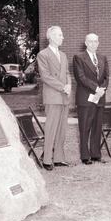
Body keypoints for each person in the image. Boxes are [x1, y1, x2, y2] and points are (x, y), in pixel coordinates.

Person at [36, 26, 72, 170]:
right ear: (51, 37)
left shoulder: (63, 55)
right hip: (53, 96)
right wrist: (62, 87)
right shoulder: (43, 54)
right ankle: (46, 160)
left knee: (62, 129)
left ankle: (58, 158)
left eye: (62, 35)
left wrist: (69, 85)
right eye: (59, 35)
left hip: (64, 96)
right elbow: (45, 76)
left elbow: (68, 73)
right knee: (51, 129)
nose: (62, 37)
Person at [73, 33, 109, 164]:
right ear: (86, 43)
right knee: (85, 127)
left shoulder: (103, 57)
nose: (93, 44)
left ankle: (95, 154)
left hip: (99, 98)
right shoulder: (79, 58)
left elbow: (106, 77)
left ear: (98, 43)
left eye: (96, 41)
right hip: (86, 98)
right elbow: (81, 78)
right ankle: (85, 156)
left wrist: (102, 90)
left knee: (97, 127)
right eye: (91, 41)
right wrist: (96, 89)